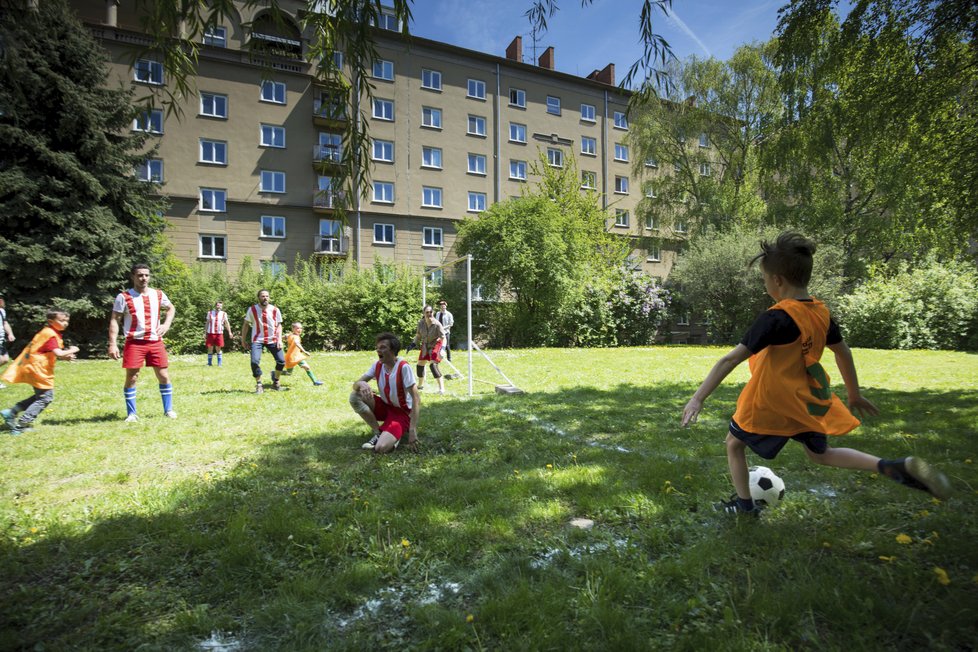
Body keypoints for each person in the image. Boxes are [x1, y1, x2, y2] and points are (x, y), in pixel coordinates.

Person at [681, 232, 950, 515]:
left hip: (770, 402)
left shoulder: (775, 318)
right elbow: (843, 352)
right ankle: (887, 466)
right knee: (821, 455)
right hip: (807, 401)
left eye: (764, 279)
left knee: (734, 444)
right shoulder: (821, 313)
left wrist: (698, 398)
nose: (765, 284)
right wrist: (854, 394)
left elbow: (729, 359)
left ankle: (745, 506)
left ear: (777, 280)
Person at [108, 263, 176, 422]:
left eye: (146, 275)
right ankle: (132, 414)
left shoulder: (158, 294)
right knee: (132, 377)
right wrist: (112, 343)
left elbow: (171, 308)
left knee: (163, 375)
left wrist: (166, 324)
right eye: (139, 275)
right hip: (134, 342)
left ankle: (169, 410)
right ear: (133, 277)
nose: (143, 278)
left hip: (155, 341)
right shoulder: (123, 297)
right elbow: (114, 320)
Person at [1, 310, 78, 435]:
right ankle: (21, 425)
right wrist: (73, 349)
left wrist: (66, 357)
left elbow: (47, 351)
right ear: (50, 321)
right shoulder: (51, 335)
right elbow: (58, 352)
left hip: (34, 367)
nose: (65, 323)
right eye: (62, 321)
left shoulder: (48, 332)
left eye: (67, 321)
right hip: (38, 370)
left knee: (40, 396)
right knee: (45, 398)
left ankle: (12, 412)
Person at [349, 332, 420, 453]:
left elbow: (416, 398)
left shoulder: (403, 367)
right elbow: (355, 385)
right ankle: (378, 433)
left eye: (383, 347)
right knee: (355, 396)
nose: (378, 350)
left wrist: (413, 430)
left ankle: (396, 434)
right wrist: (360, 384)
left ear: (393, 350)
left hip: (401, 413)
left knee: (381, 448)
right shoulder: (378, 365)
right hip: (385, 407)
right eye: (377, 348)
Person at [241, 289, 284, 394]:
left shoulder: (275, 310)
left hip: (273, 339)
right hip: (257, 339)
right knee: (254, 362)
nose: (265, 298)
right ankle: (259, 385)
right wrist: (243, 340)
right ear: (258, 298)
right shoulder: (252, 310)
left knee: (281, 361)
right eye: (263, 296)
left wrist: (279, 339)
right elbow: (246, 324)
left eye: (267, 296)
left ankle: (276, 382)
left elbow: (279, 325)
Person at [413, 305, 446, 394]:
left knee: (433, 366)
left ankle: (441, 389)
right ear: (424, 313)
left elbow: (443, 337)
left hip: (436, 344)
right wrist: (413, 343)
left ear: (433, 312)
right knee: (419, 365)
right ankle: (420, 386)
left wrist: (442, 349)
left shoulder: (437, 324)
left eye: (430, 312)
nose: (429, 314)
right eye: (427, 312)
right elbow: (418, 335)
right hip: (425, 345)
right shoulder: (421, 323)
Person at [205, 300, 234, 366]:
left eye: (220, 306)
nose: (219, 307)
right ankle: (209, 363)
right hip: (211, 333)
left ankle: (219, 364)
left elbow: (226, 323)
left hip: (219, 333)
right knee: (210, 348)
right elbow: (207, 323)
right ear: (215, 306)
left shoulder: (224, 314)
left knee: (218, 348)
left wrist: (230, 332)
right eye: (218, 305)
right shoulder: (210, 313)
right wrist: (205, 332)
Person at [0, 294, 15, 389]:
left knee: (5, 359)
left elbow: (5, 323)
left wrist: (10, 333)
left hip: (1, 340)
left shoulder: (2, 311)